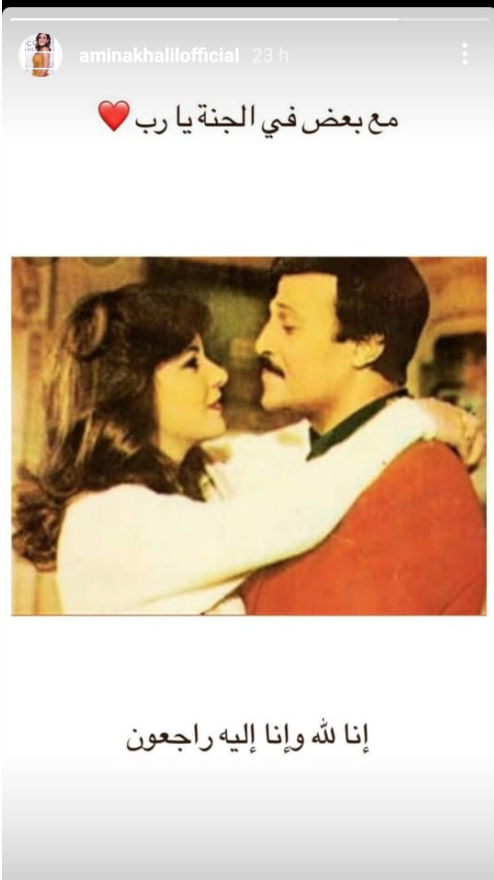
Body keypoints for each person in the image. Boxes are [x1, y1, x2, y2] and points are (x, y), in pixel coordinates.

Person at [12, 282, 476, 615]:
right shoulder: (105, 524)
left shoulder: (198, 475)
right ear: (130, 389)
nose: (219, 374)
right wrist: (416, 417)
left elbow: (306, 445)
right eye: (191, 364)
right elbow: (291, 516)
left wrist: (436, 420)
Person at [242, 257, 486, 615]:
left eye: (288, 326)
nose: (261, 343)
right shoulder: (311, 454)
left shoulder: (421, 483)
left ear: (366, 346)